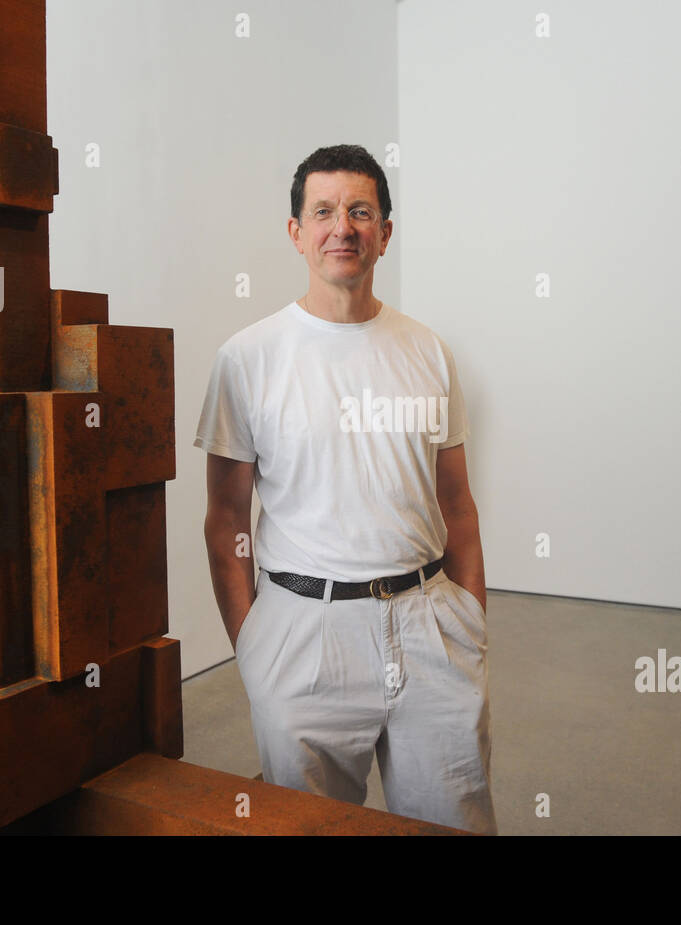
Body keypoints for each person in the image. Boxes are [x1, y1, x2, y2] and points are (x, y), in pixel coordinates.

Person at [193, 144, 496, 835]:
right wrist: (254, 647)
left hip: (429, 625)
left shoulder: (426, 349)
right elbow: (226, 520)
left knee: (455, 822)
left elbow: (458, 505)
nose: (343, 227)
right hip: (303, 632)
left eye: (361, 212)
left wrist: (470, 624)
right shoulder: (248, 358)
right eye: (323, 211)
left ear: (385, 232)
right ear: (296, 232)